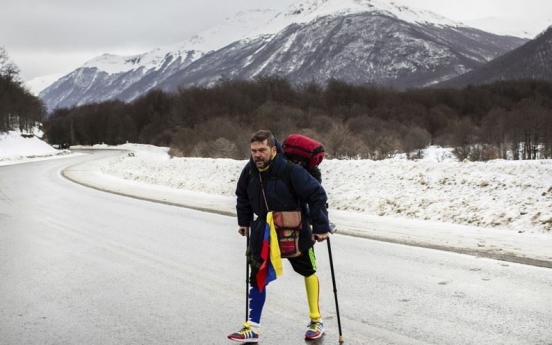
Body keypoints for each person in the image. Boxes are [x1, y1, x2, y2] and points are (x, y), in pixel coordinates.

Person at [228, 130, 332, 343]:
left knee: (308, 271)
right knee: (257, 276)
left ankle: (316, 320)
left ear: (274, 150)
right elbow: (242, 195)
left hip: (294, 230)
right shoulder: (249, 171)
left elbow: (316, 194)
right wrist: (244, 221)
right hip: (263, 232)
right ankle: (252, 327)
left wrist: (320, 226)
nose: (257, 155)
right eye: (254, 151)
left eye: (262, 150)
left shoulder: (290, 170)